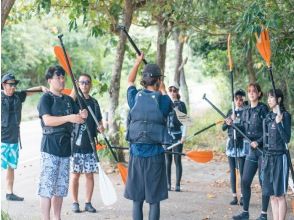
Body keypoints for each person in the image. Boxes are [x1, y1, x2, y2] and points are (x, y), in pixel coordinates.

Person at [124, 53, 173, 220]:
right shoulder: (164, 100)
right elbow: (167, 101)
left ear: (144, 80)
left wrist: (137, 61)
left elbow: (130, 81)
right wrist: (163, 88)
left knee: (137, 201)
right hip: (155, 156)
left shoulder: (134, 97)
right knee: (154, 201)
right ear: (158, 80)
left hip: (136, 155)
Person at [37, 65, 87, 220]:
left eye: (63, 77)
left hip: (66, 149)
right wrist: (69, 118)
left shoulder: (67, 100)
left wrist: (81, 115)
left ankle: (57, 217)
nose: (62, 80)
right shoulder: (46, 98)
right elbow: (47, 121)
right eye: (58, 77)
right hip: (50, 148)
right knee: (47, 188)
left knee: (60, 188)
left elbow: (77, 117)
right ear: (50, 80)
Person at [1, 72, 48, 201]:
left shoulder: (18, 96)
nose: (13, 87)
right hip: (1, 139)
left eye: (14, 85)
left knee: (11, 167)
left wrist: (41, 87)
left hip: (14, 138)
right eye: (10, 85)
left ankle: (9, 193)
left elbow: (28, 91)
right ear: (3, 85)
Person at [233, 83, 270, 220]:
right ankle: (245, 213)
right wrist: (232, 124)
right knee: (245, 180)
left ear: (259, 94)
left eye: (254, 91)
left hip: (262, 150)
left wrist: (258, 142)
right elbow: (242, 129)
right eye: (249, 91)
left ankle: (263, 214)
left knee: (263, 182)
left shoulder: (263, 109)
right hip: (251, 151)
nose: (251, 93)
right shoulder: (246, 110)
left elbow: (268, 130)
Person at [70, 73, 104, 213]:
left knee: (89, 175)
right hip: (75, 145)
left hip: (90, 145)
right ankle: (74, 202)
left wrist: (101, 127)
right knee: (75, 175)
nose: (84, 84)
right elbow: (69, 102)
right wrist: (74, 86)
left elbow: (99, 122)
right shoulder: (75, 100)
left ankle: (88, 202)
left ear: (90, 85)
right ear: (78, 84)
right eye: (82, 82)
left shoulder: (94, 102)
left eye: (87, 82)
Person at [262, 89, 291, 220]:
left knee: (280, 195)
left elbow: (286, 139)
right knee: (272, 195)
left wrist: (279, 124)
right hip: (268, 157)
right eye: (268, 97)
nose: (269, 100)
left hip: (280, 157)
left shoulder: (285, 115)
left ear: (278, 100)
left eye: (272, 97)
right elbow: (264, 138)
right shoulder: (267, 117)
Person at [222, 89, 246, 205]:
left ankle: (242, 196)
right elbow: (223, 128)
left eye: (241, 99)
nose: (239, 101)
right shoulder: (230, 111)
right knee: (232, 171)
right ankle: (234, 196)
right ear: (234, 100)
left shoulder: (246, 112)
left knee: (242, 171)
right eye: (236, 99)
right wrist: (229, 121)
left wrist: (237, 122)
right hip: (231, 143)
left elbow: (247, 129)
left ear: (243, 100)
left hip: (241, 144)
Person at [165, 84, 187, 192]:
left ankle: (177, 185)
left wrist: (183, 135)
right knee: (167, 160)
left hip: (178, 136)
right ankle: (168, 184)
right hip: (167, 136)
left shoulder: (181, 105)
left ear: (177, 92)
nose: (172, 92)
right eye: (170, 90)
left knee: (177, 160)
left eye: (174, 90)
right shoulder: (166, 104)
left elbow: (185, 122)